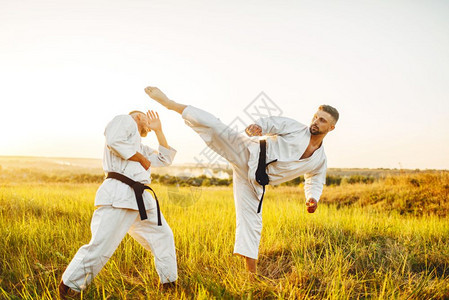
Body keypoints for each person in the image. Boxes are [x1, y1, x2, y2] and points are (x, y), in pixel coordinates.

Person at [144, 86, 339, 274]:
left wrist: (312, 198)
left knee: (252, 223)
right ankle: (170, 103)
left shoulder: (320, 160)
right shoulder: (296, 128)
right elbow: (273, 123)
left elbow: (314, 180)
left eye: (322, 120)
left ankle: (250, 276)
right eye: (315, 117)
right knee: (215, 127)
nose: (315, 121)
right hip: (248, 151)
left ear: (331, 127)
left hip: (255, 180)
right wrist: (258, 127)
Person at [59, 110, 178, 298]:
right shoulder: (125, 120)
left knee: (163, 236)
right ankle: (69, 288)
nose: (149, 119)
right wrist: (139, 158)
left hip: (141, 199)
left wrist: (158, 131)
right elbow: (114, 141)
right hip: (119, 193)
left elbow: (164, 159)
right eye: (145, 116)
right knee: (102, 244)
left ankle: (169, 284)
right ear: (138, 116)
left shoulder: (139, 145)